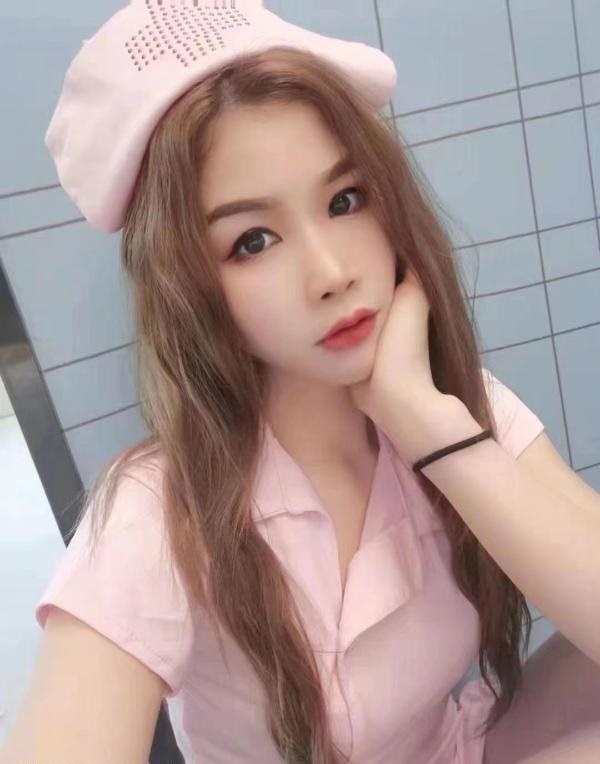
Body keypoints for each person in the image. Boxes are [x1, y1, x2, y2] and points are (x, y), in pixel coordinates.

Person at [3, 3, 600, 764]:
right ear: (191, 287)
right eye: (252, 241)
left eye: (345, 200)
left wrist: (423, 421)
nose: (331, 273)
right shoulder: (162, 512)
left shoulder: (449, 401)